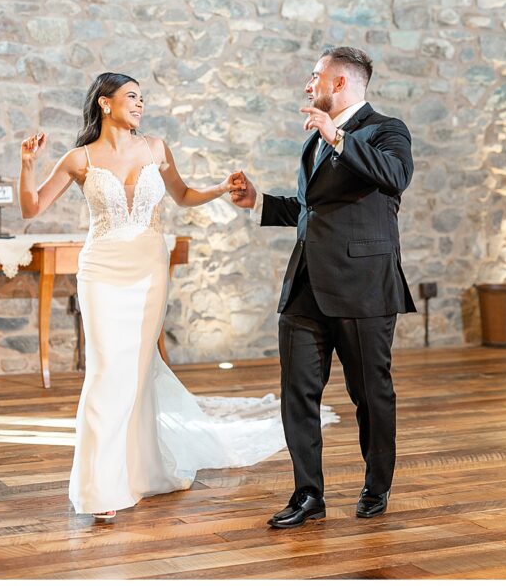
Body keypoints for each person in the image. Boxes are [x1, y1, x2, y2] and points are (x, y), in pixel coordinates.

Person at [19, 72, 335, 520]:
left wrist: (223, 189)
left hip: (149, 270)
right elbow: (31, 207)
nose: (140, 104)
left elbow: (183, 195)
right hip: (101, 271)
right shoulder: (78, 159)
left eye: (142, 98)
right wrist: (27, 163)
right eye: (131, 97)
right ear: (105, 104)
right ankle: (100, 487)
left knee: (139, 368)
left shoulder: (155, 148)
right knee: (107, 371)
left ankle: (139, 471)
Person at [230, 47, 415, 528]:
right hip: (306, 285)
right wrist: (259, 203)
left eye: (315, 76)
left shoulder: (386, 130)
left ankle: (377, 486)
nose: (308, 84)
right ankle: (308, 494)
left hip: (363, 289)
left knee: (369, 393)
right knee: (298, 393)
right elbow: (315, 208)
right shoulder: (318, 139)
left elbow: (395, 176)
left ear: (340, 83)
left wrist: (336, 136)